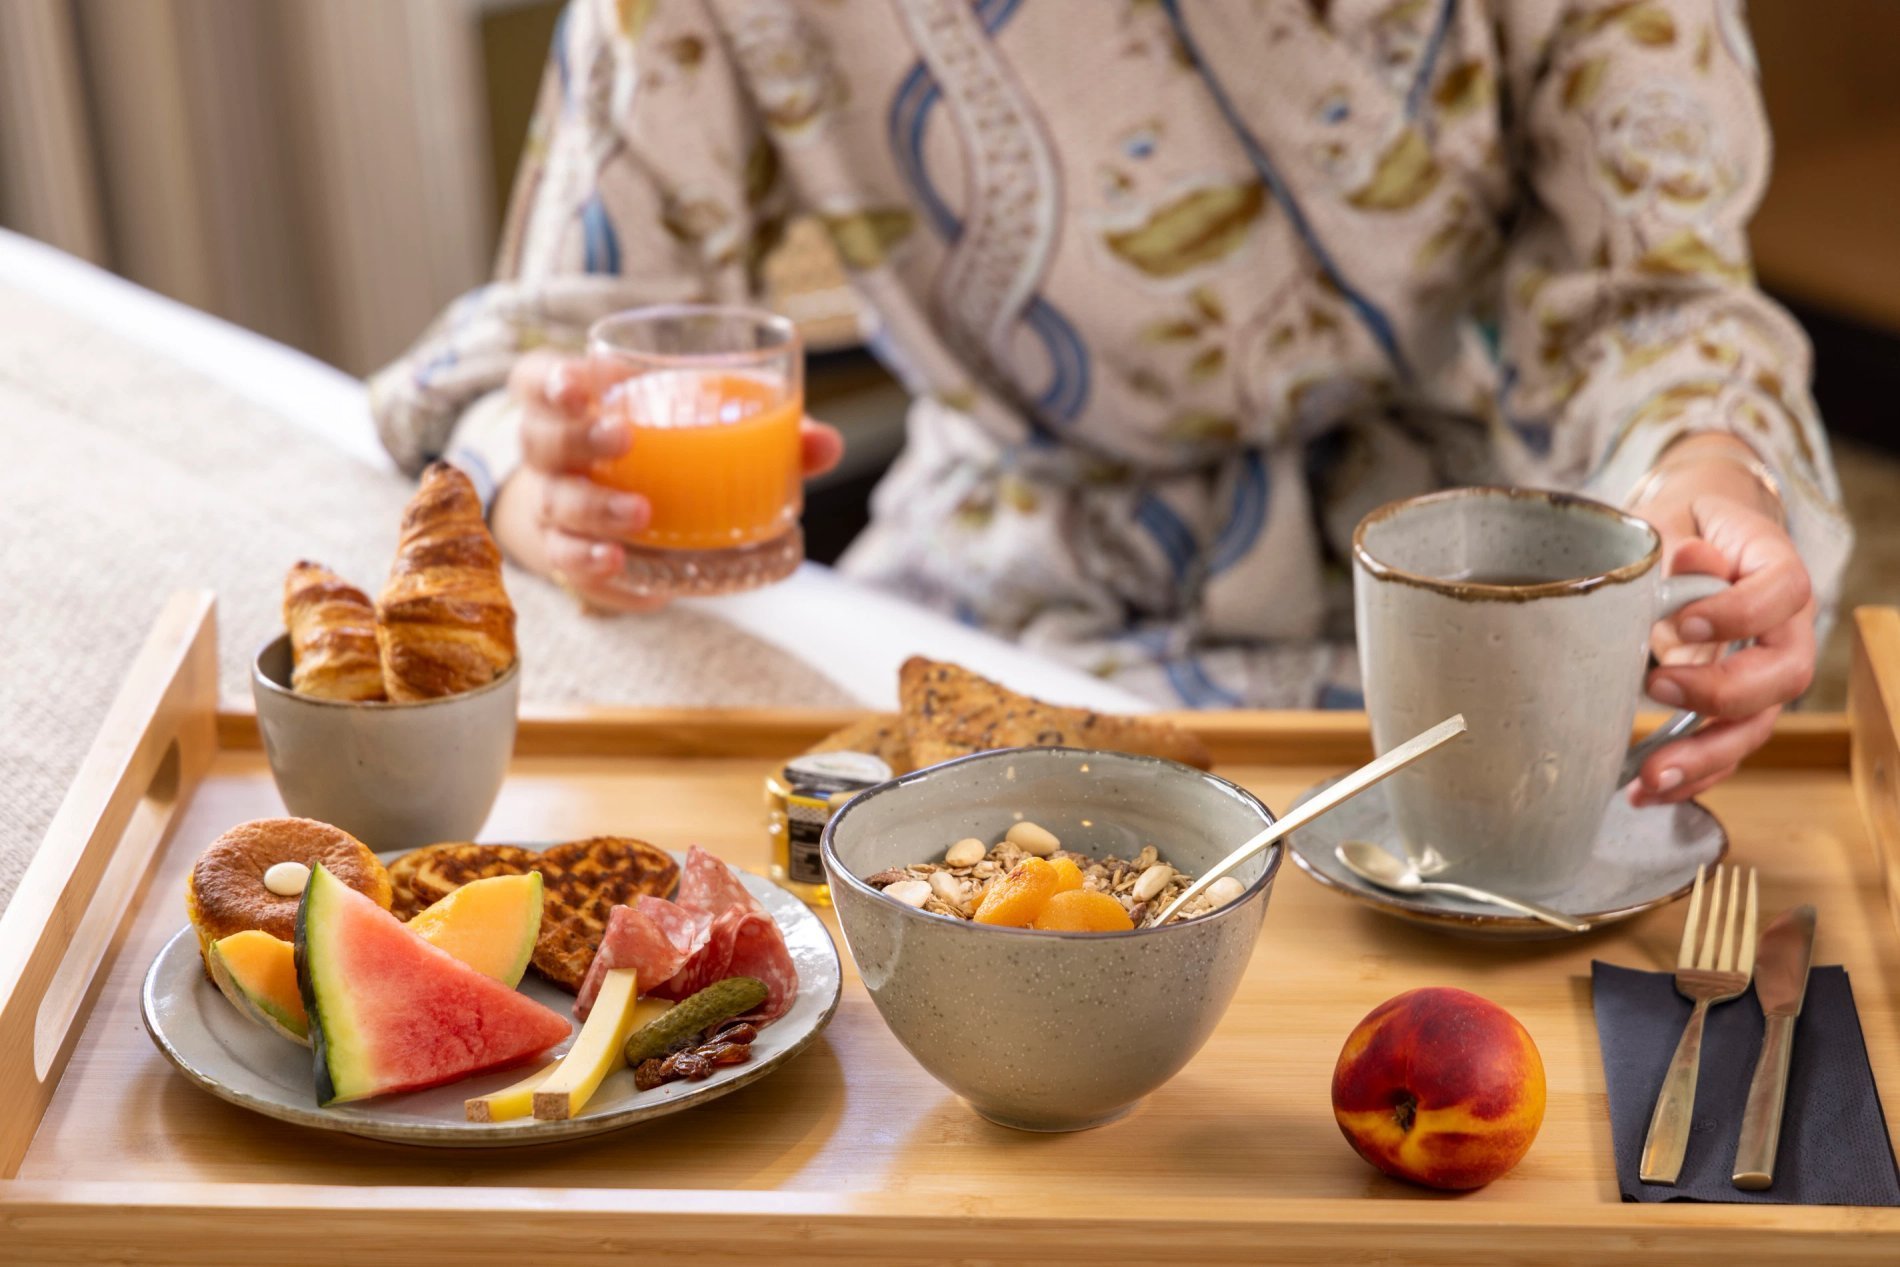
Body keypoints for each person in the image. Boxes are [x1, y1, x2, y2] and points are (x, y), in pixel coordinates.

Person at [372, 0, 1850, 809]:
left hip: (1493, 582)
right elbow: (555, 342)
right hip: (998, 607)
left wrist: (1709, 470)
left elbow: (1656, 294)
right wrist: (548, 477)